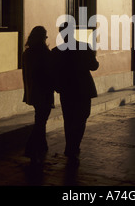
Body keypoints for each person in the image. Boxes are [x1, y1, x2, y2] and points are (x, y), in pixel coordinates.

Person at [52, 22, 99, 165]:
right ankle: (74, 146)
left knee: (69, 119)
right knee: (81, 118)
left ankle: (70, 146)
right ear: (73, 32)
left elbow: (52, 73)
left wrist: (58, 87)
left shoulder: (56, 51)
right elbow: (94, 66)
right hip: (83, 89)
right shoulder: (84, 46)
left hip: (66, 90)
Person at [22, 26, 55, 165]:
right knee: (41, 120)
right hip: (44, 91)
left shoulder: (27, 53)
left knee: (40, 117)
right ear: (42, 37)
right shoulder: (44, 53)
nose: (46, 39)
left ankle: (41, 145)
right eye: (45, 36)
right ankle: (31, 148)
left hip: (33, 91)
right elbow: (49, 73)